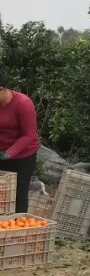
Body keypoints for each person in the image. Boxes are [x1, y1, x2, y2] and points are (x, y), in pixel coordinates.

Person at [0, 68, 40, 215]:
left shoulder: (23, 103)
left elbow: (28, 135)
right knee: (2, 194)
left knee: (19, 193)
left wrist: (8, 154)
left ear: (2, 89)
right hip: (2, 151)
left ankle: (17, 223)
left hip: (23, 155)